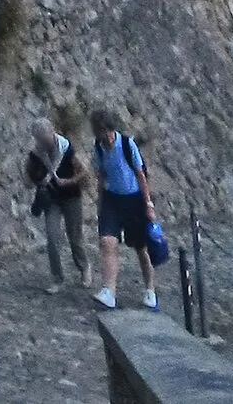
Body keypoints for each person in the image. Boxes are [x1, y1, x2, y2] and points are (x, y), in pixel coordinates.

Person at [91, 107, 159, 311]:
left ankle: (150, 290)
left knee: (140, 248)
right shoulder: (98, 147)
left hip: (133, 200)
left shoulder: (128, 145)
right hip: (112, 200)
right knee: (107, 242)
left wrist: (148, 205)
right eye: (103, 134)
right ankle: (109, 291)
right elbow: (101, 175)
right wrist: (100, 203)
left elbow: (141, 175)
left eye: (109, 133)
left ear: (113, 130)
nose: (108, 138)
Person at [25, 117, 88, 288]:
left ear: (53, 133)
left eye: (47, 140)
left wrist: (67, 181)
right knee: (52, 238)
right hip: (51, 199)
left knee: (74, 237)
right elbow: (28, 179)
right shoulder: (36, 154)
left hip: (71, 197)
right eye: (41, 141)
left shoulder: (67, 149)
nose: (45, 144)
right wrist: (38, 181)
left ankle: (84, 268)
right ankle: (57, 278)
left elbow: (83, 171)